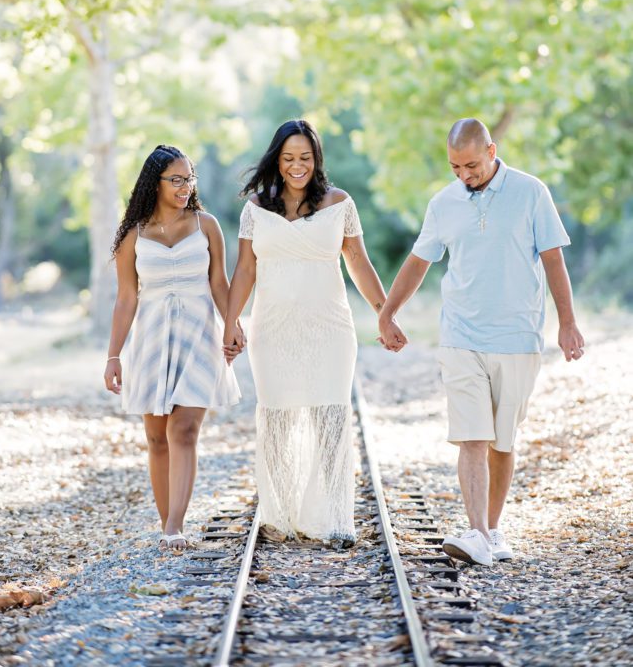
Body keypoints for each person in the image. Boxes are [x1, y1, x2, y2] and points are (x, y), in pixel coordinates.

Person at [379, 118, 585, 567]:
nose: (464, 176)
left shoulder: (532, 193)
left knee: (501, 442)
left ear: (492, 151)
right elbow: (419, 261)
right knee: (471, 436)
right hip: (461, 335)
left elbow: (553, 259)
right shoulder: (443, 203)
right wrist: (387, 312)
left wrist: (567, 322)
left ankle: (491, 529)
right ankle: (475, 532)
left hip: (517, 336)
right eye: (455, 167)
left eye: (471, 165)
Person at [223, 120, 406, 547]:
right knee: (278, 419)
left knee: (330, 417)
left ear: (316, 158)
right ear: (276, 160)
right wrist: (231, 321)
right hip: (272, 328)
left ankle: (334, 518)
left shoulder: (339, 203)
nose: (297, 166)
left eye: (305, 157)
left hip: (329, 327)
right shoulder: (256, 209)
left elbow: (359, 262)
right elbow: (245, 270)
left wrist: (385, 313)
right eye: (288, 158)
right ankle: (279, 515)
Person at [104, 144, 241, 551]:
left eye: (189, 179)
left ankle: (175, 527)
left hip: (199, 333)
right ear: (155, 182)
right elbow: (126, 298)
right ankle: (168, 523)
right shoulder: (133, 235)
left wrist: (233, 324)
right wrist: (114, 355)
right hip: (150, 339)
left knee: (183, 428)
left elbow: (220, 283)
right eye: (176, 180)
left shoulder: (207, 225)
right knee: (156, 436)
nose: (185, 187)